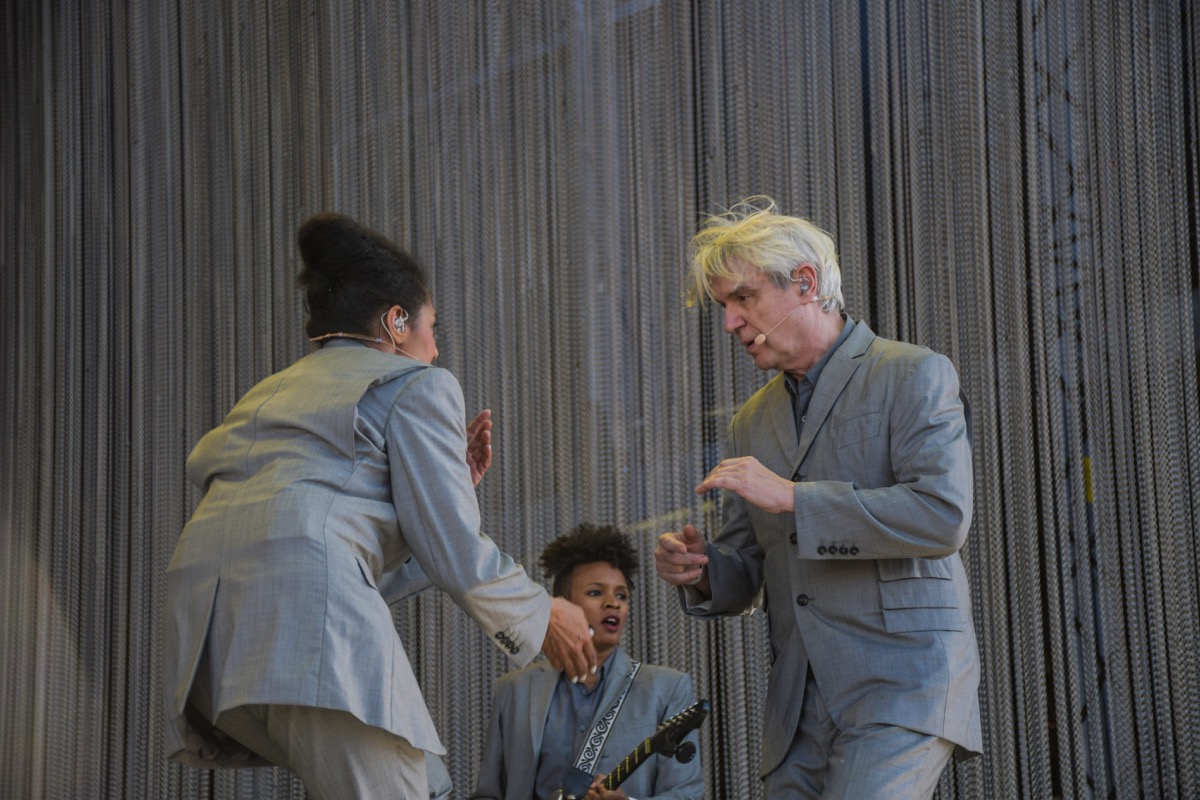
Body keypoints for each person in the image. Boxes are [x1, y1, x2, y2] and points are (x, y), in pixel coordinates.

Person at [162, 212, 597, 799]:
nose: (435, 348)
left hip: (212, 645)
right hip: (303, 631)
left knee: (426, 782)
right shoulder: (417, 382)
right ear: (397, 321)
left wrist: (446, 491)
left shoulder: (269, 393)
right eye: (432, 327)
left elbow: (325, 542)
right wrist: (543, 613)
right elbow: (453, 553)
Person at [654, 197, 982, 798]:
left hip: (902, 682)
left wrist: (794, 498)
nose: (730, 323)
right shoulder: (750, 421)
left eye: (743, 298)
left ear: (805, 283)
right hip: (797, 708)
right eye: (724, 306)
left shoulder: (913, 373)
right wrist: (701, 572)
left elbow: (942, 516)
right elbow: (748, 569)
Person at [473, 524, 705, 800]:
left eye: (621, 595)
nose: (613, 603)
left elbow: (687, 793)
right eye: (596, 593)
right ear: (563, 605)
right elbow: (488, 794)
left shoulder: (668, 688)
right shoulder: (514, 689)